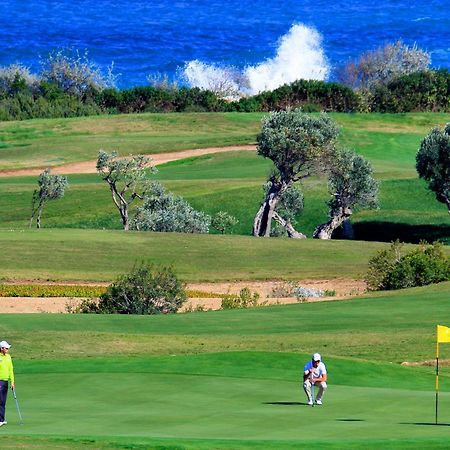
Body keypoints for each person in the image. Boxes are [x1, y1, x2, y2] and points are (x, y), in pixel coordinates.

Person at [0, 341, 15, 426]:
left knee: (3, 401)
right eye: (6, 348)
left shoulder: (8, 357)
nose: (8, 349)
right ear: (2, 348)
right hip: (0, 381)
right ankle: (0, 420)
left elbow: (10, 370)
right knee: (0, 400)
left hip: (5, 382)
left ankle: (2, 419)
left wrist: (12, 382)